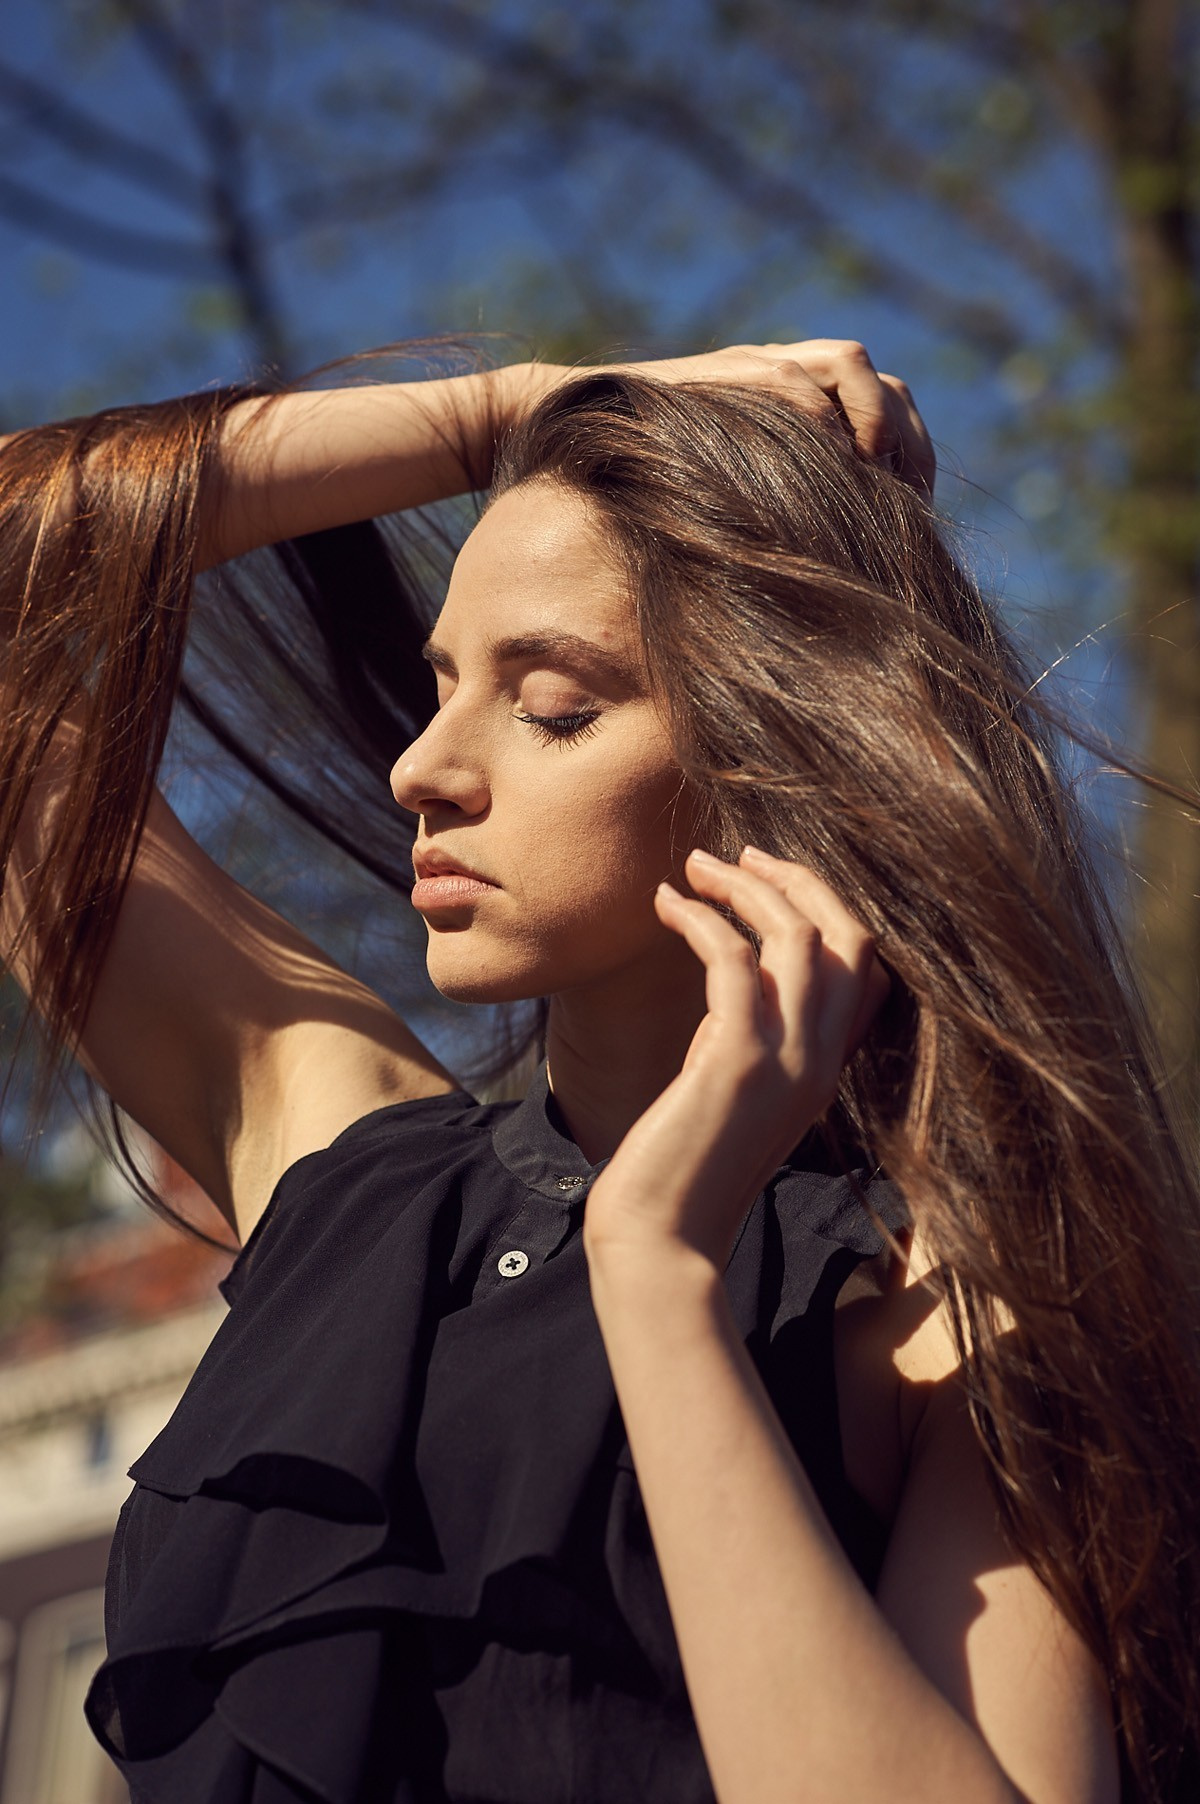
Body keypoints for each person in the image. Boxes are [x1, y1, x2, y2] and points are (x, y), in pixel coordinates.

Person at [0, 338, 1197, 1804]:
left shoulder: (965, 1310)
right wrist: (531, 406)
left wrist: (658, 1277)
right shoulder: (348, 1176)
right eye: (442, 684)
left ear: (780, 760)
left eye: (550, 704)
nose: (420, 769)